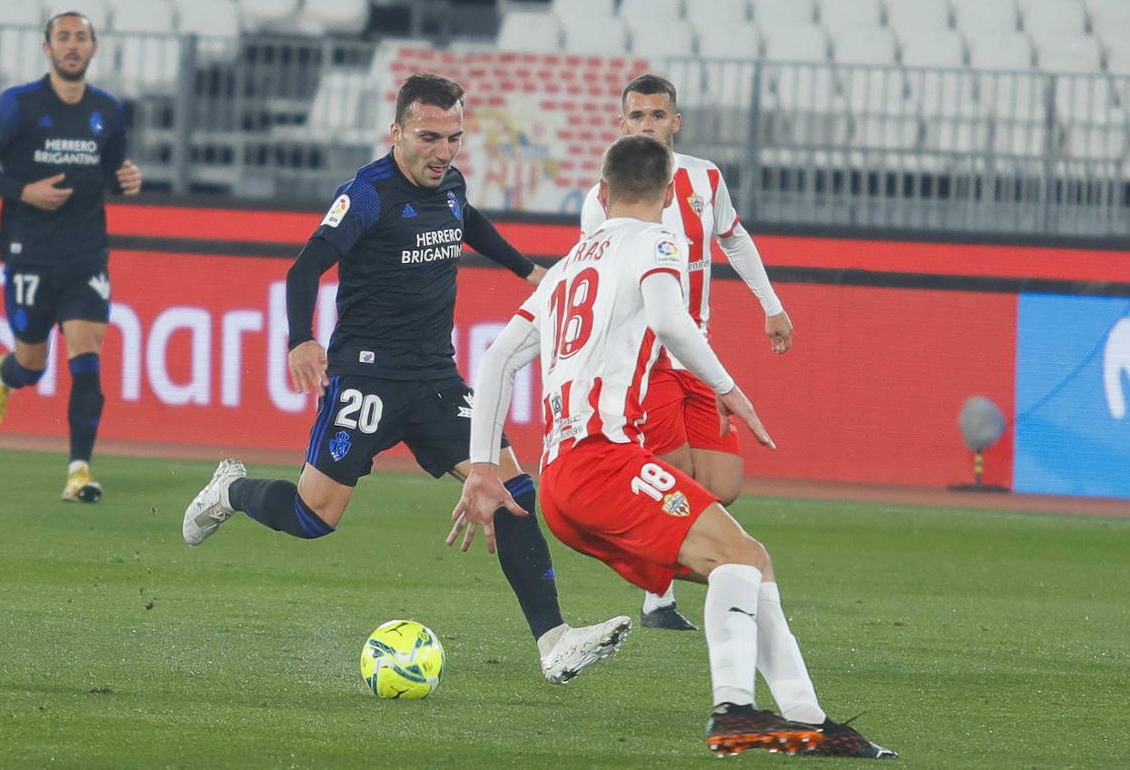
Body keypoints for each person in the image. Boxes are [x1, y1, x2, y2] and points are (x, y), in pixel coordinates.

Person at [452, 134, 896, 757]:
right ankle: (734, 712)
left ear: (601, 193)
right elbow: (667, 317)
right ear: (667, 196)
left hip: (563, 482)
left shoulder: (567, 267)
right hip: (606, 462)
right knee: (738, 561)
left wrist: (480, 470)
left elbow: (497, 360)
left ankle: (809, 722)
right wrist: (727, 387)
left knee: (749, 559)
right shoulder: (658, 240)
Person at [182, 73, 631, 684]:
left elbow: (465, 220)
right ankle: (230, 491)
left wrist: (531, 273)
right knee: (314, 518)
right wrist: (301, 338)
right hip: (365, 380)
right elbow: (305, 268)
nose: (443, 152)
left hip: (435, 380)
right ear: (395, 132)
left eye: (455, 138)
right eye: (429, 137)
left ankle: (554, 642)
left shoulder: (449, 183)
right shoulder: (367, 194)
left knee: (509, 491)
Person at [581, 74, 793, 632]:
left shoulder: (706, 178)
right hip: (644, 360)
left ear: (675, 122)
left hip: (696, 353)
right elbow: (591, 279)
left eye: (656, 116)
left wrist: (771, 305)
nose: (646, 125)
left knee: (723, 485)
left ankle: (660, 565)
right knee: (670, 477)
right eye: (636, 117)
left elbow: (735, 238)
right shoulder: (602, 198)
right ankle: (658, 601)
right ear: (622, 124)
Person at [0, 11, 142, 502]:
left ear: (94, 48)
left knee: (86, 358)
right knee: (33, 366)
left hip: (86, 252)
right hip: (29, 252)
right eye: (63, 37)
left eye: (80, 38)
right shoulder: (19, 104)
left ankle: (79, 472)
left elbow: (112, 171)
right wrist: (24, 191)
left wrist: (127, 181)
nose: (72, 45)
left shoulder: (107, 110)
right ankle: (6, 375)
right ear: (46, 48)